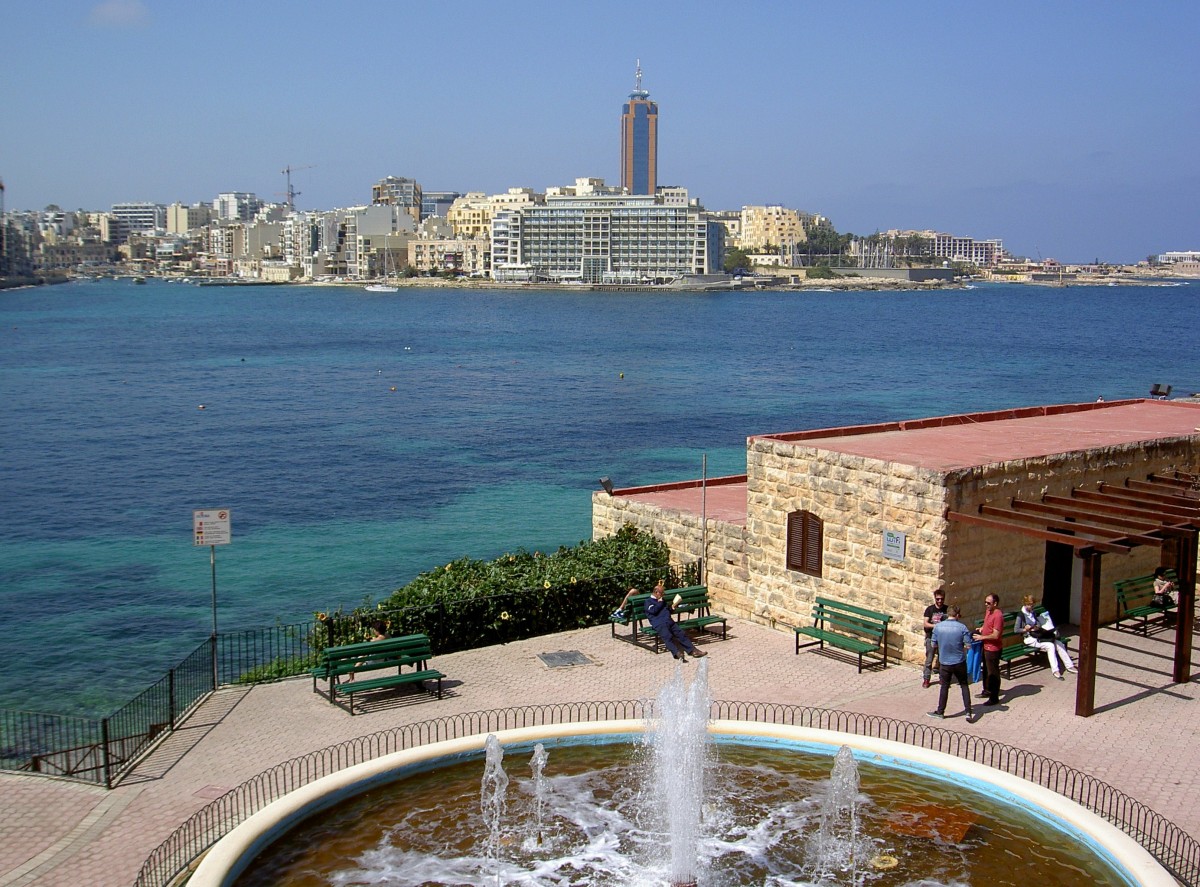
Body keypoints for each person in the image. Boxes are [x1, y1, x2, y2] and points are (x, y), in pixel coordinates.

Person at [927, 605, 975, 722]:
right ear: (957, 614)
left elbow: (933, 644)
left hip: (945, 662)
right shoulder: (962, 627)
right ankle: (968, 711)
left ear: (947, 614)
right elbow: (968, 645)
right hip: (959, 661)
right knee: (964, 685)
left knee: (944, 686)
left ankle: (940, 711)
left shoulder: (938, 627)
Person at [1015, 595, 1075, 678]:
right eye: (1029, 605)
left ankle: (1069, 665)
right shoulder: (1021, 615)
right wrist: (1025, 629)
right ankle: (1055, 670)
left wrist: (1037, 626)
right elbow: (1016, 630)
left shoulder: (1033, 612)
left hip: (1038, 635)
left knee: (1058, 643)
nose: (1031, 607)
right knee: (1050, 646)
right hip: (1029, 638)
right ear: (1025, 604)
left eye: (1032, 605)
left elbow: (1038, 623)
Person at [646, 580, 707, 661]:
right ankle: (677, 653)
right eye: (662, 593)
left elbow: (667, 610)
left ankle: (693, 651)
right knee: (668, 637)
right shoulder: (648, 602)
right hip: (659, 624)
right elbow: (653, 611)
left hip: (669, 621)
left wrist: (672, 607)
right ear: (656, 592)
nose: (663, 595)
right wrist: (660, 603)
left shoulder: (662, 600)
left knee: (681, 634)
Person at [972, 593, 1004, 706]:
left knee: (993, 673)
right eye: (985, 602)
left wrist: (982, 637)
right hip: (985, 646)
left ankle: (994, 697)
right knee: (985, 670)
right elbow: (987, 624)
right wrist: (982, 629)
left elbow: (996, 635)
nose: (986, 605)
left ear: (995, 604)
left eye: (988, 603)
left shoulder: (998, 615)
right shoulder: (988, 612)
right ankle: (987, 690)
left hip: (993, 649)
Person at [921, 587, 948, 689]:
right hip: (931, 637)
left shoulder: (947, 609)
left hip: (943, 638)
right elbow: (926, 623)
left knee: (943, 659)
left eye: (941, 599)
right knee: (929, 659)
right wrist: (936, 626)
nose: (940, 601)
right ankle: (926, 679)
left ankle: (942, 678)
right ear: (935, 599)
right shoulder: (930, 609)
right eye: (938, 599)